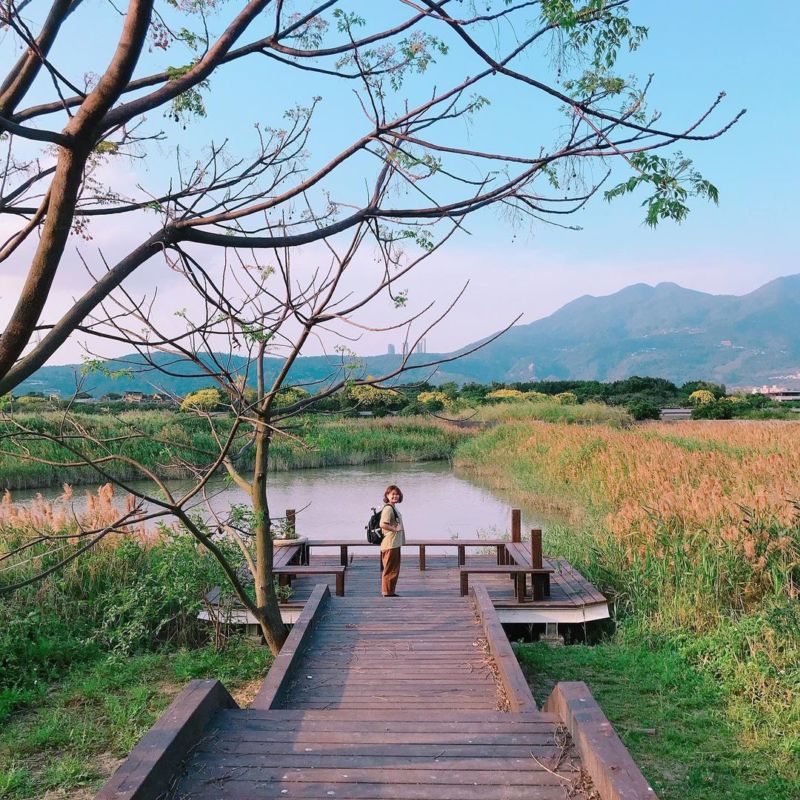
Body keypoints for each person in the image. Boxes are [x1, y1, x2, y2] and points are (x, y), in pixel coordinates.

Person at [379, 484, 405, 597]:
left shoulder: (392, 507)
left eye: (397, 494)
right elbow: (382, 524)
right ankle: (387, 593)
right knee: (390, 569)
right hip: (390, 543)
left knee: (393, 569)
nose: (395, 496)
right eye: (393, 494)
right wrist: (395, 528)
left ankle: (390, 591)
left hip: (394, 543)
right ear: (387, 495)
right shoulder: (388, 508)